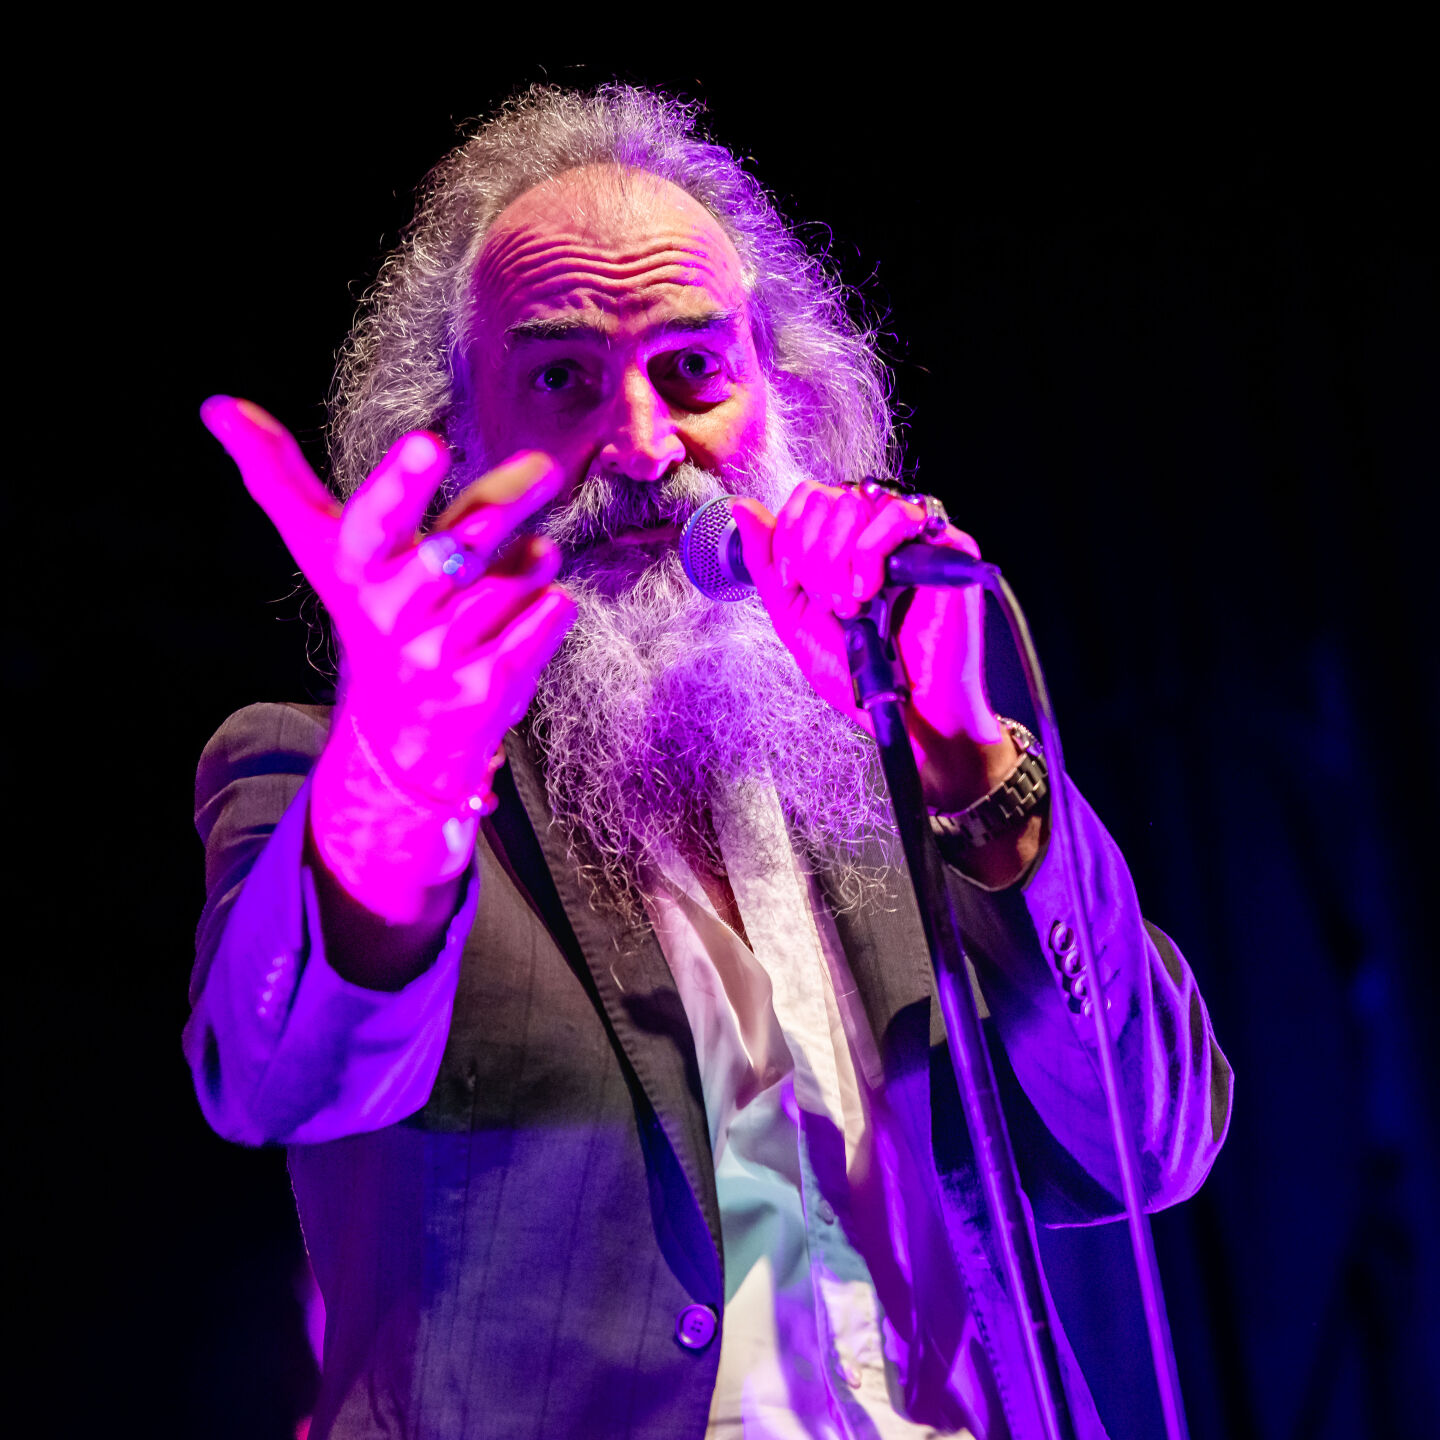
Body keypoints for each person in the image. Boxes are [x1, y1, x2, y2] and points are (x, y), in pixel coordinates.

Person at [186, 86, 1232, 1440]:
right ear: (452, 444)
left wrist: (973, 764)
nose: (640, 444)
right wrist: (397, 780)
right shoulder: (320, 774)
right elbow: (285, 1076)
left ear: (785, 400)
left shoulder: (892, 776)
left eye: (693, 369)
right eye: (560, 379)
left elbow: (1152, 1141)